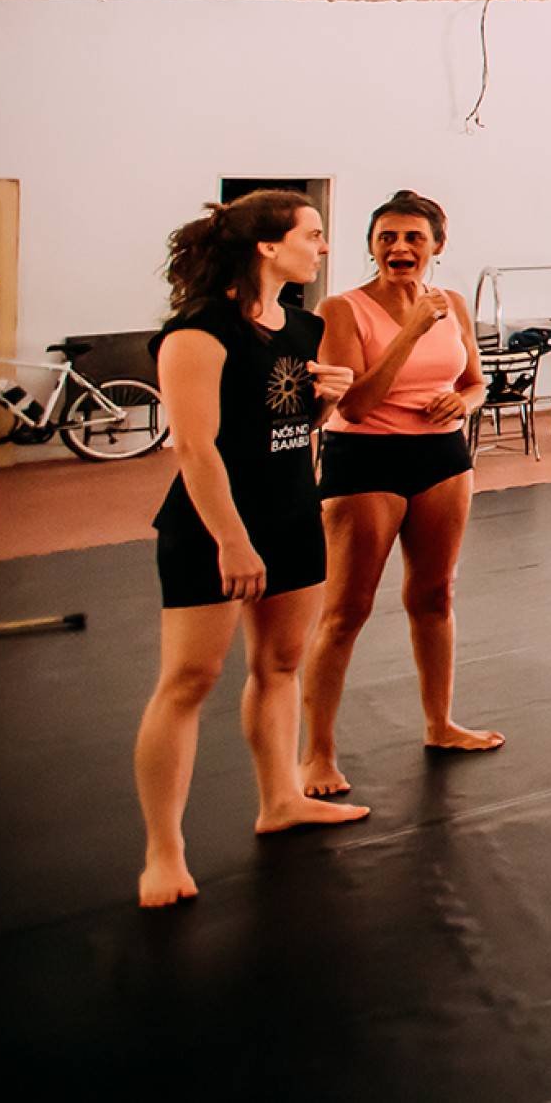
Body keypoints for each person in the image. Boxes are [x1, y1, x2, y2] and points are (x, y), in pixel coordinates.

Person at [133, 191, 369, 908]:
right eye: (314, 235)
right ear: (268, 246)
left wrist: (328, 399)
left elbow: (288, 424)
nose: (322, 248)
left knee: (281, 664)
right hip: (215, 527)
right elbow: (197, 449)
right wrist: (231, 541)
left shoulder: (303, 325)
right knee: (189, 680)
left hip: (294, 515)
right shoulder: (196, 335)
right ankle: (163, 854)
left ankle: (281, 799)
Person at [297, 191, 501, 799]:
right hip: (365, 459)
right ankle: (317, 754)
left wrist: (460, 403)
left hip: (440, 455)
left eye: (413, 237)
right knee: (346, 610)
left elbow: (474, 382)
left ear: (437, 246)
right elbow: (353, 404)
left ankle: (440, 724)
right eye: (387, 237)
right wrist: (410, 333)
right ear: (371, 246)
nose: (400, 248)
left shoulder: (454, 304)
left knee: (434, 595)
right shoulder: (342, 309)